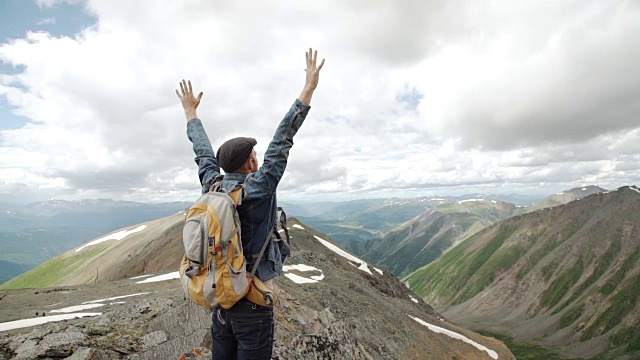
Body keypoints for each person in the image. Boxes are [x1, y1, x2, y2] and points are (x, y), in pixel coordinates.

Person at [176, 48, 325, 359]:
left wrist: (191, 114)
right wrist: (307, 90)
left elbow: (203, 154)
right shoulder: (259, 188)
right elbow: (283, 139)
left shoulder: (212, 185)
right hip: (252, 299)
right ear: (251, 163)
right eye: (255, 157)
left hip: (220, 298)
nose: (259, 160)